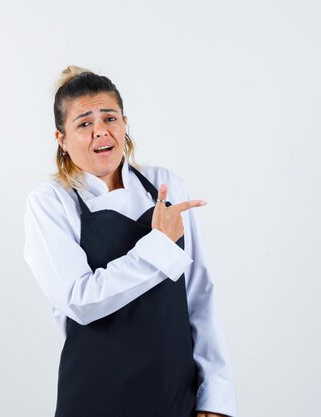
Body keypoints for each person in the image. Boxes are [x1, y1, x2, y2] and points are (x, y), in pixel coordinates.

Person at [23, 65, 237, 417]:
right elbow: (80, 300)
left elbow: (198, 294)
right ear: (61, 139)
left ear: (124, 124)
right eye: (84, 123)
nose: (100, 131)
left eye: (109, 118)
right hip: (94, 396)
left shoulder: (165, 185)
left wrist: (216, 398)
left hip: (173, 394)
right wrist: (159, 248)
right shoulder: (50, 202)